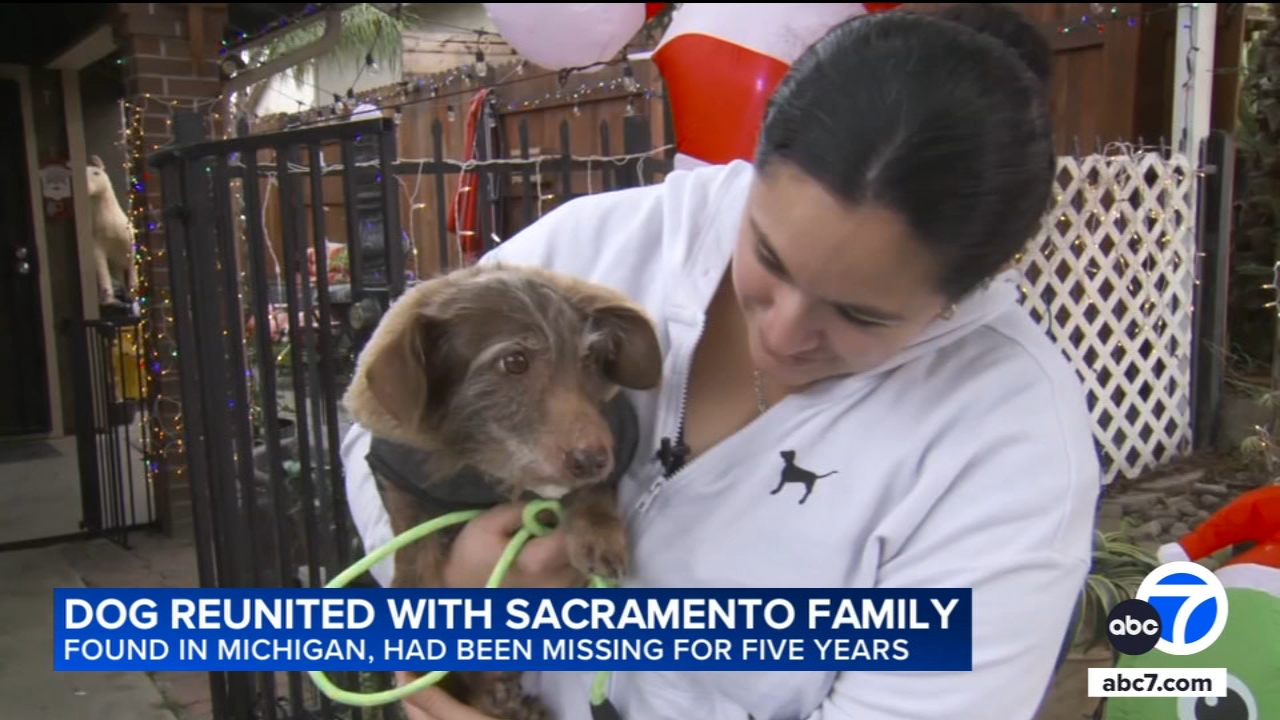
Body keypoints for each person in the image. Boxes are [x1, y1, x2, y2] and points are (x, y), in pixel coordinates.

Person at [341, 5, 1103, 719]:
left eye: (859, 314)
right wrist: (452, 586)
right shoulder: (600, 245)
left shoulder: (1006, 441)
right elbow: (380, 428)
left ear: (964, 292)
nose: (783, 333)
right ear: (758, 157)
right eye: (767, 255)